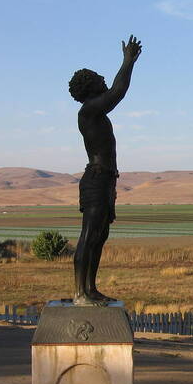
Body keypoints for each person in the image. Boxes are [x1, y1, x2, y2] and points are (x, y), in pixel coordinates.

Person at [68, 35, 142, 305]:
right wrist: (128, 62)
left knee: (100, 236)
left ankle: (90, 289)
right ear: (90, 85)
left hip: (107, 180)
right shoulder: (89, 112)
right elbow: (118, 92)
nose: (103, 79)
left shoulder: (96, 113)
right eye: (98, 77)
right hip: (96, 180)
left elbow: (114, 93)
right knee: (88, 236)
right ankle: (79, 294)